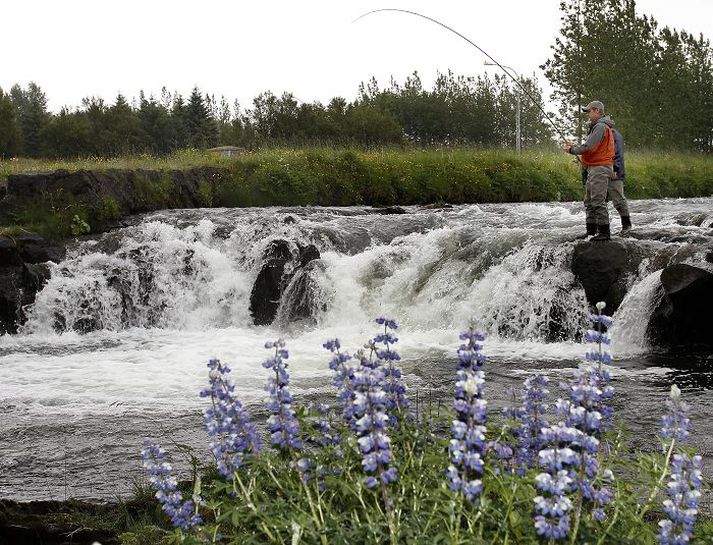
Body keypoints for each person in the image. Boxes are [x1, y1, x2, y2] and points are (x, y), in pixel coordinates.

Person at [564, 100, 615, 241]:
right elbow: (590, 147)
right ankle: (591, 232)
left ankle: (605, 233)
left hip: (600, 168)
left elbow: (588, 147)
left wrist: (571, 150)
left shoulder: (600, 127)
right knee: (589, 201)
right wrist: (574, 147)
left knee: (597, 200)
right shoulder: (597, 127)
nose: (588, 114)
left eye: (589, 111)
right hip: (594, 168)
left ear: (597, 111)